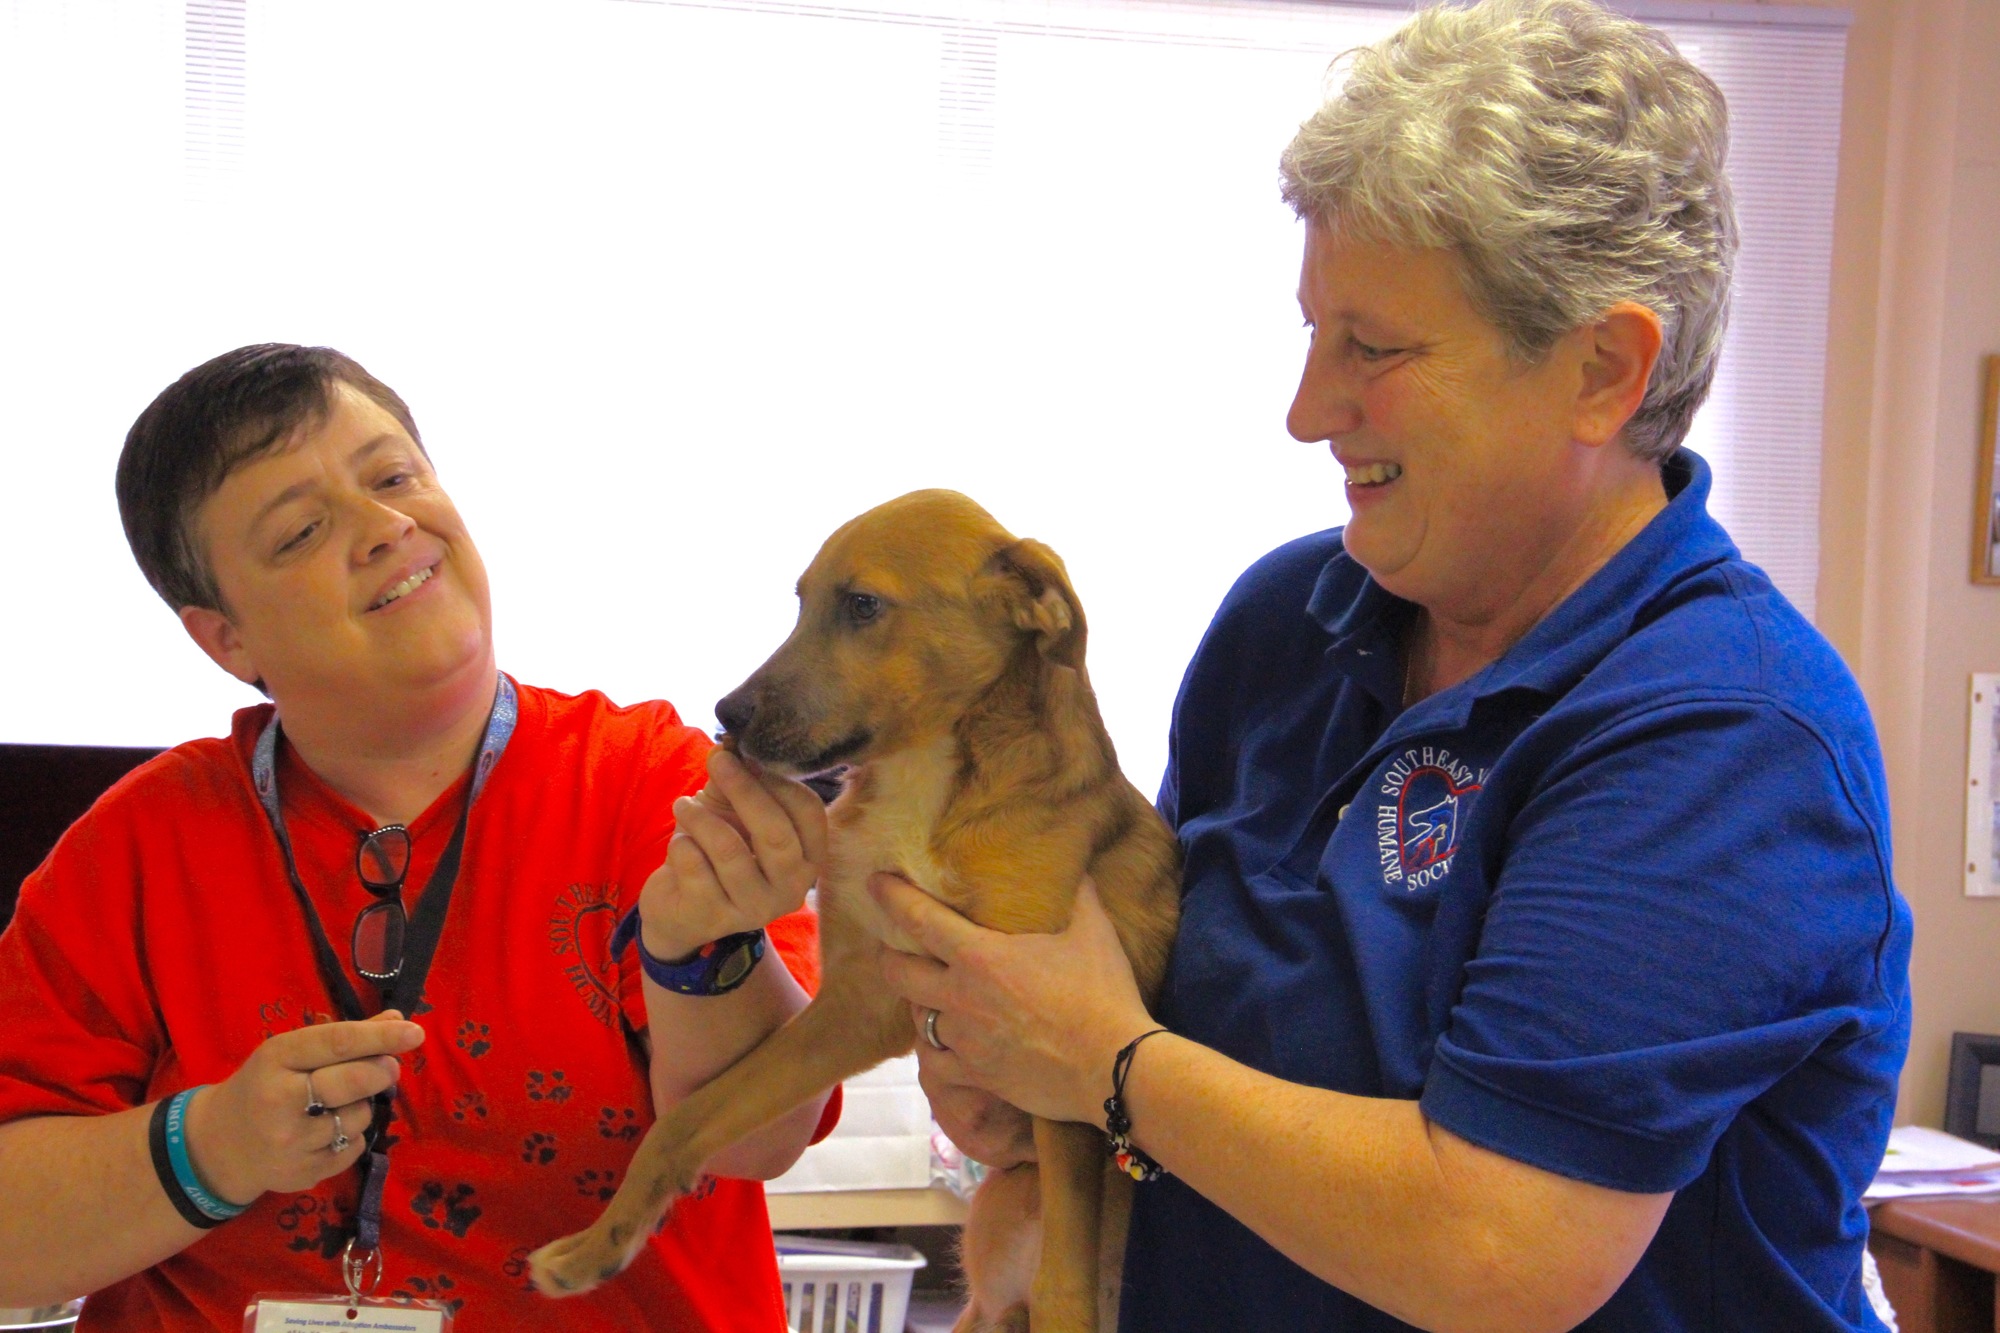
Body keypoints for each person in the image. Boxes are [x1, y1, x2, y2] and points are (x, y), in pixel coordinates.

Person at [869, 2, 1913, 1330]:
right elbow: (1166, 1054)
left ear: (1602, 370)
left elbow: (1493, 1246)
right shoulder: (1285, 624)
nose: (1307, 409)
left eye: (1376, 347)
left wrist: (1099, 1063)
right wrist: (1015, 1077)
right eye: (1313, 332)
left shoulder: (1727, 735)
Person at [0, 344, 839, 1330]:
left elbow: (759, 1138)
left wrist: (707, 952)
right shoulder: (139, 847)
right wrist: (209, 1147)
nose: (387, 526)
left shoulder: (649, 782)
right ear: (226, 639)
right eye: (303, 529)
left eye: (394, 477)